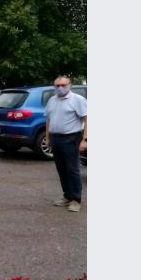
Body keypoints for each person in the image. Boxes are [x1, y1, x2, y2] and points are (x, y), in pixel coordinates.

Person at [46, 76, 87, 213]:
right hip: (56, 138)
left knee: (73, 169)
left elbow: (87, 119)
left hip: (72, 138)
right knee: (61, 169)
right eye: (57, 85)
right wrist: (47, 137)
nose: (60, 88)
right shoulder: (52, 100)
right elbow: (48, 120)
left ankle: (76, 199)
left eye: (63, 85)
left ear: (70, 85)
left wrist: (85, 140)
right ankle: (67, 196)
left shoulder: (77, 100)